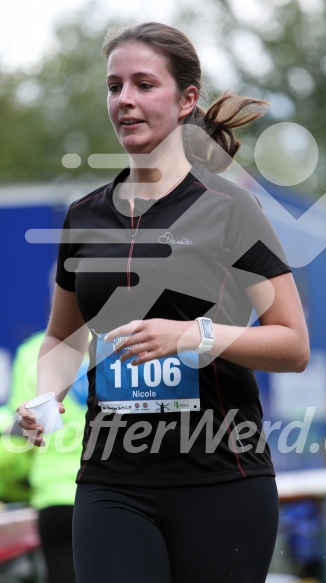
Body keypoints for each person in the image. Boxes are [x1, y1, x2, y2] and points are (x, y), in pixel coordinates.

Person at [17, 21, 309, 583]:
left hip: (222, 480)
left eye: (144, 84)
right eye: (114, 86)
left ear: (186, 100)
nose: (124, 100)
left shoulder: (230, 209)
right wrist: (44, 396)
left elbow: (292, 343)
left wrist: (193, 335)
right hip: (111, 482)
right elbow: (63, 336)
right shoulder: (84, 216)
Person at [4, 329, 88, 583]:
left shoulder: (33, 350)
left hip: (54, 498)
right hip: (113, 491)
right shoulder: (124, 338)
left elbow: (22, 434)